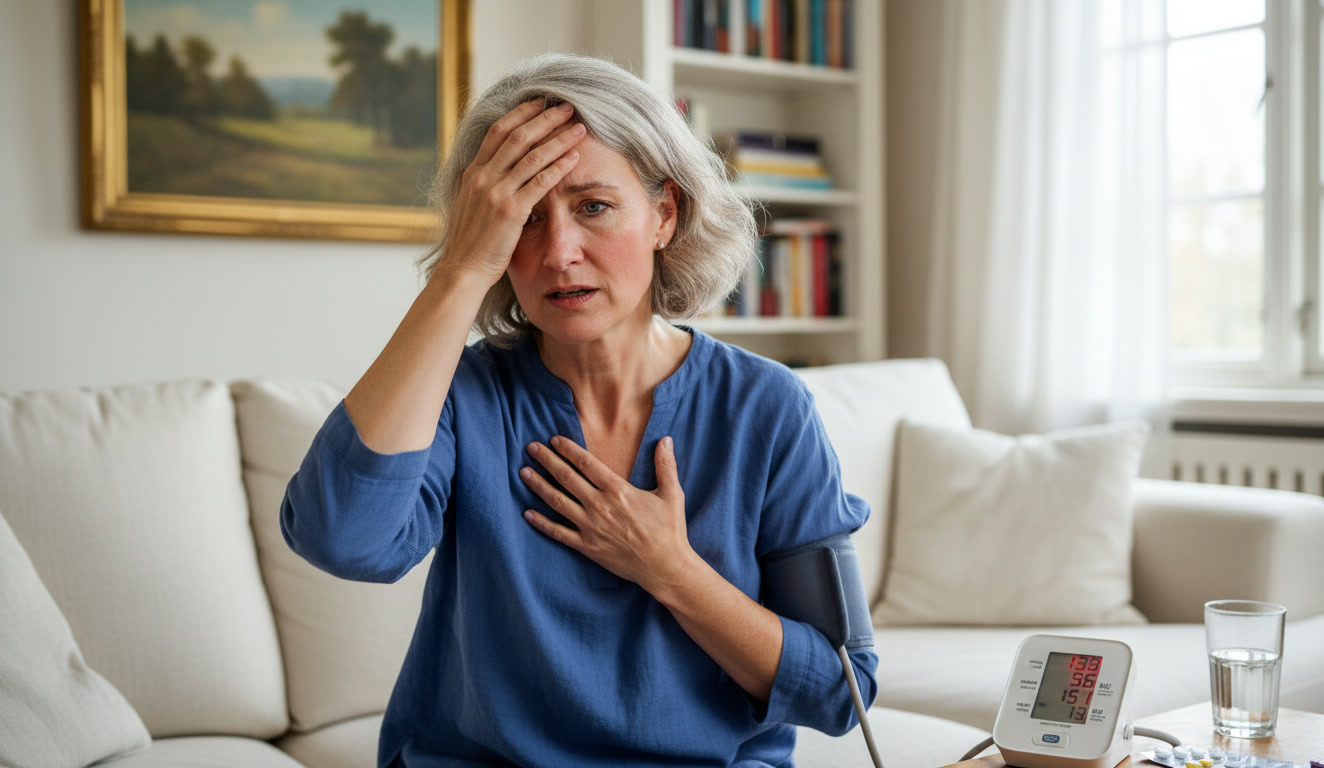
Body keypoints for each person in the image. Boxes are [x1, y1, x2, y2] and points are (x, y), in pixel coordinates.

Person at [281, 52, 877, 767]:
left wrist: (669, 569)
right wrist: (461, 271)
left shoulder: (767, 407)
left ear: (664, 214)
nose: (559, 252)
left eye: (593, 207)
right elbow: (342, 540)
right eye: (524, 219)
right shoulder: (463, 396)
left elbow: (842, 692)